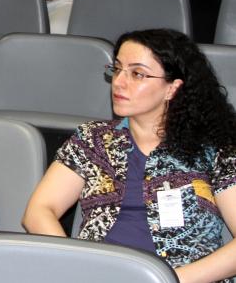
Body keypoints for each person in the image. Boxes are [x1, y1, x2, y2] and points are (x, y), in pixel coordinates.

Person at [23, 29, 236, 283]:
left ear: (172, 88)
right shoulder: (93, 140)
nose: (119, 82)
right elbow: (38, 211)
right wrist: (75, 268)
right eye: (117, 69)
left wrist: (167, 280)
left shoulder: (214, 149)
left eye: (137, 74)